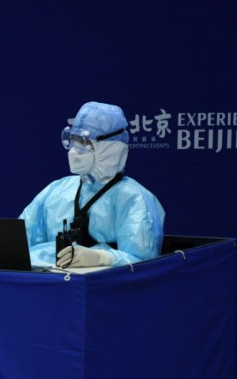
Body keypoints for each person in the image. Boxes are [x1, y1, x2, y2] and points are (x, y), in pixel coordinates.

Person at [20, 101, 165, 268]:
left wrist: (102, 258)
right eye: (73, 140)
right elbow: (18, 242)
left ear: (110, 148)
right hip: (50, 285)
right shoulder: (56, 190)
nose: (74, 150)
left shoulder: (134, 199)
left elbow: (144, 264)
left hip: (105, 290)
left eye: (85, 142)